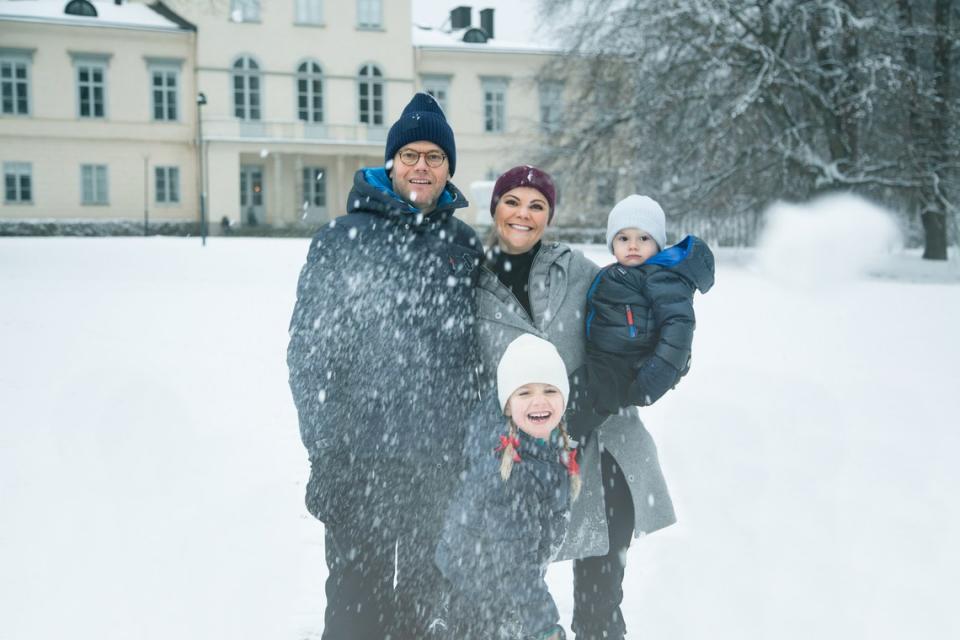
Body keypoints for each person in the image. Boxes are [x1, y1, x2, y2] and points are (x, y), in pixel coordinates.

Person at [286, 92, 483, 639]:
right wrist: (327, 454)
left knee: (429, 612)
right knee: (356, 611)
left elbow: (479, 358)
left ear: (448, 169)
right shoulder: (341, 241)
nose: (422, 166)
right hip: (360, 466)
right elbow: (312, 356)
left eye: (435, 157)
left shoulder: (464, 246)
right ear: (392, 162)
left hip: (440, 469)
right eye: (411, 155)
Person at [474, 165, 676, 640]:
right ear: (495, 208)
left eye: (537, 205)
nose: (523, 214)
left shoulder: (581, 272)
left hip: (604, 451)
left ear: (549, 216)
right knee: (518, 605)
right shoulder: (471, 287)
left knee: (599, 605)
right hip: (520, 463)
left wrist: (586, 402)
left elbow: (639, 337)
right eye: (512, 202)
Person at [434, 333, 581, 640]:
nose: (539, 400)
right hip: (479, 607)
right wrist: (543, 624)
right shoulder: (511, 470)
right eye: (524, 392)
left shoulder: (545, 447)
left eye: (549, 390)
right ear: (506, 404)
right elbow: (515, 562)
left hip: (496, 598)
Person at [585, 194, 715, 415]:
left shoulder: (659, 277)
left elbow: (678, 327)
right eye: (623, 238)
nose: (633, 245)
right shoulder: (620, 272)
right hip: (601, 360)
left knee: (582, 408)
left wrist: (656, 376)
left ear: (658, 244)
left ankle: (568, 438)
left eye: (644, 238)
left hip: (625, 367)